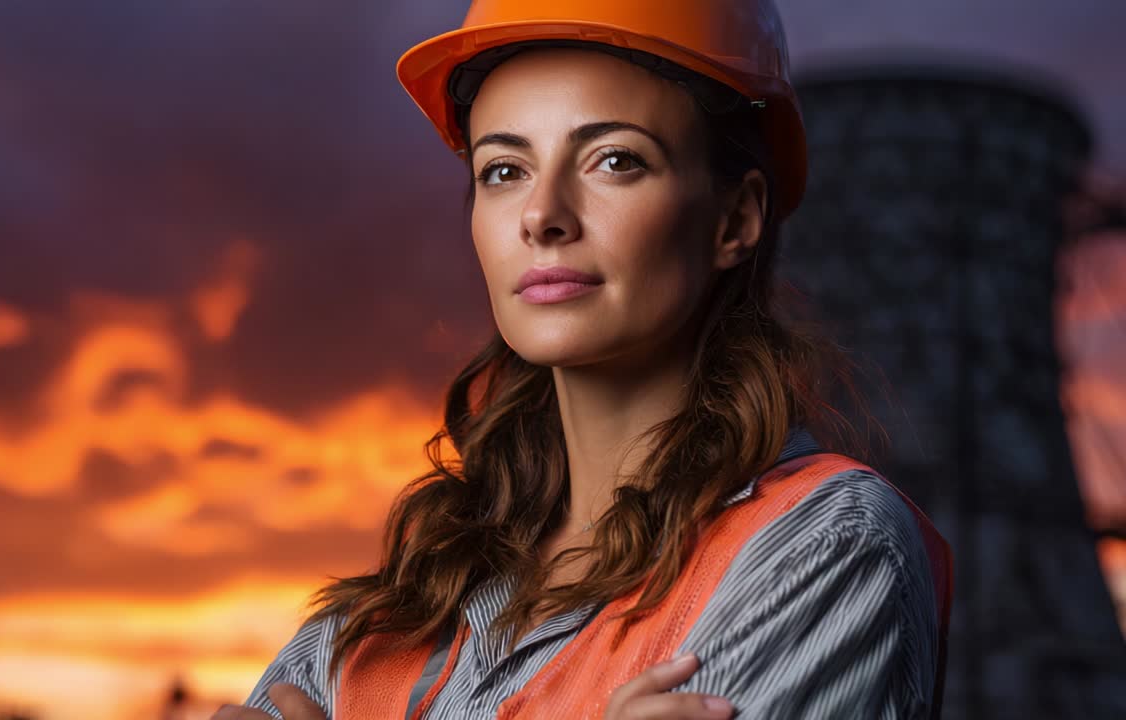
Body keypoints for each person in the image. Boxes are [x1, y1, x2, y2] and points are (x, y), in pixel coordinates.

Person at [214, 1, 952, 718]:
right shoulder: (374, 626)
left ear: (736, 219)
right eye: (504, 170)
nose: (543, 216)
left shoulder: (823, 549)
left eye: (614, 160)